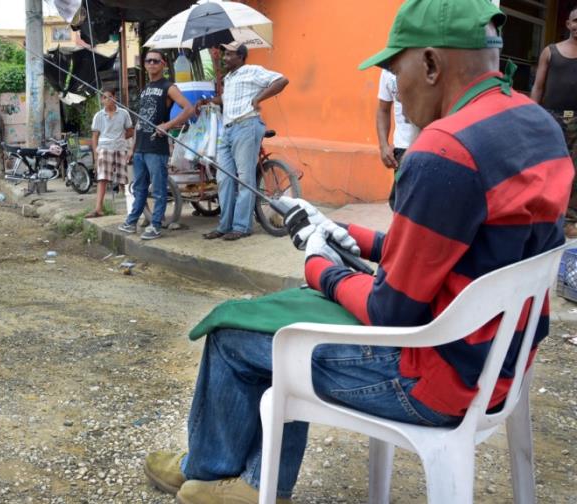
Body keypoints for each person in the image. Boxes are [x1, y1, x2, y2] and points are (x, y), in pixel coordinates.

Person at [143, 1, 574, 503]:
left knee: (238, 335)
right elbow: (449, 252)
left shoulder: (444, 150)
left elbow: (391, 310)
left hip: (433, 380)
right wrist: (345, 232)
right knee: (281, 321)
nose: (394, 88)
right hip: (498, 366)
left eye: (395, 69)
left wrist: (320, 266)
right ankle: (242, 473)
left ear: (431, 64)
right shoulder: (537, 125)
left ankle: (224, 475)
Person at [199, 41, 289, 241]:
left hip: (246, 125)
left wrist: (259, 99)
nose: (225, 58)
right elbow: (227, 99)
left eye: (230, 54)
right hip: (229, 129)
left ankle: (242, 226)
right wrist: (209, 101)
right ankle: (225, 226)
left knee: (244, 178)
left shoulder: (252, 70)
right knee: (224, 178)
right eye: (225, 55)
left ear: (241, 56)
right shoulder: (230, 77)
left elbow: (282, 80)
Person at [118, 49, 194, 240]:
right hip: (141, 147)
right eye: (148, 61)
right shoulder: (144, 90)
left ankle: (156, 225)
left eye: (156, 61)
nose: (152, 64)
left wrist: (167, 126)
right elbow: (139, 122)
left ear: (163, 65)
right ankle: (131, 221)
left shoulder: (169, 87)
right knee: (139, 189)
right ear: (144, 64)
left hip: (156, 147)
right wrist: (132, 147)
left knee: (159, 190)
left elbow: (189, 109)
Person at [531, 5, 577, 237]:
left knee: (575, 171)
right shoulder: (551, 51)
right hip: (550, 118)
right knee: (548, 167)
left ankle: (569, 220)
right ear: (568, 24)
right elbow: (538, 87)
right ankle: (542, 217)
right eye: (575, 21)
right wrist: (531, 117)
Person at [86, 88, 134, 218]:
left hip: (120, 147)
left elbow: (131, 130)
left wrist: (122, 137)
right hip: (104, 148)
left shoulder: (123, 113)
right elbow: (95, 136)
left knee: (125, 178)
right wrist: (96, 156)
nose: (108, 100)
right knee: (102, 178)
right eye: (105, 97)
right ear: (102, 100)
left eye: (110, 97)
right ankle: (98, 208)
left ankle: (132, 208)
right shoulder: (98, 116)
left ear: (115, 98)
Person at [376, 68, 420, 209]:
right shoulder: (387, 72)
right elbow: (383, 109)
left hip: (427, 145)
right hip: (401, 148)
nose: (400, 98)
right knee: (400, 203)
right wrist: (383, 146)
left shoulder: (427, 63)